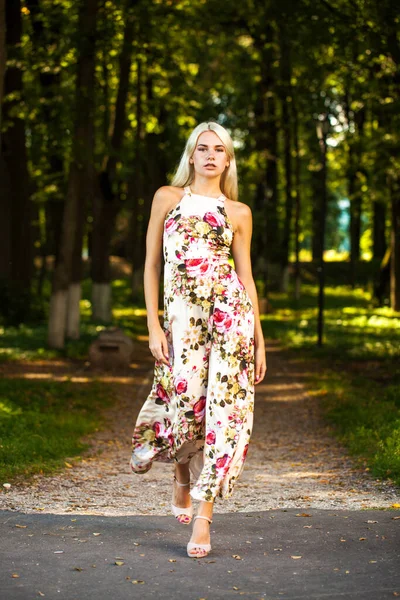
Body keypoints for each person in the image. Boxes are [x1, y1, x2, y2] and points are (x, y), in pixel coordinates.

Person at [130, 121, 267, 558]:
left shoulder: (238, 212)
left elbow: (245, 277)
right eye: (202, 148)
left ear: (228, 160)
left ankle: (204, 519)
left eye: (219, 149)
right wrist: (153, 325)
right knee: (185, 404)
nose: (210, 155)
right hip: (182, 324)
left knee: (225, 416)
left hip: (231, 321)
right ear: (191, 156)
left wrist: (260, 340)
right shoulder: (167, 199)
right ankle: (182, 474)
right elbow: (151, 266)